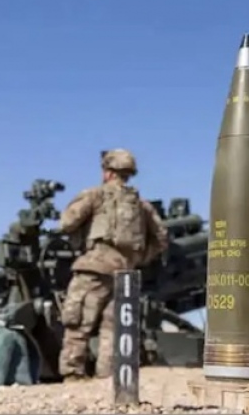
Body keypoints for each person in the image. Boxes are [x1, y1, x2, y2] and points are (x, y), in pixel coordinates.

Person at [57, 148, 168, 381]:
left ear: (107, 172)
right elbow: (161, 238)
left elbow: (66, 223)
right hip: (126, 273)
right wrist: (139, 259)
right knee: (114, 328)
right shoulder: (142, 205)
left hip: (94, 268)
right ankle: (107, 377)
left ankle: (73, 373)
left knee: (78, 322)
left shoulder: (95, 195)